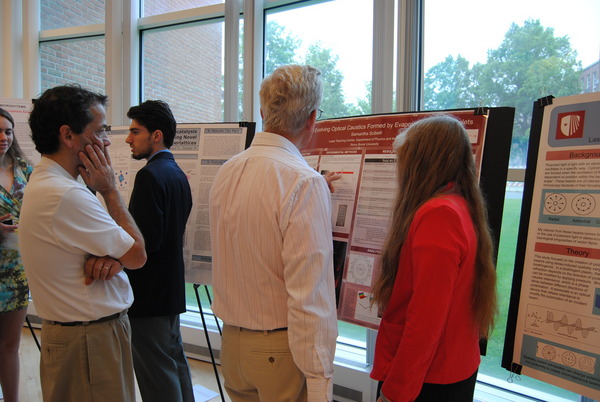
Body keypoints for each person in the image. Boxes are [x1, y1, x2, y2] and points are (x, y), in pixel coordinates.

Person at [209, 64, 338, 402]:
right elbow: (310, 295)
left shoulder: (226, 171)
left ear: (263, 112)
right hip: (281, 351)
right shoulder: (303, 182)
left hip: (233, 345)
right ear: (311, 119)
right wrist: (320, 382)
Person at [19, 84, 147, 402]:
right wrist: (109, 190)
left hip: (83, 337)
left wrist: (113, 259)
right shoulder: (66, 194)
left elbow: (117, 252)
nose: (106, 141)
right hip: (89, 340)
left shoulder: (49, 182)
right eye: (100, 130)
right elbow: (136, 254)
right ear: (68, 135)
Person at [369, 114, 498, 402]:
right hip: (445, 369)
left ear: (421, 162)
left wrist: (395, 393)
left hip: (428, 377)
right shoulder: (459, 204)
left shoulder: (439, 215)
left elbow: (425, 321)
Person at [124, 100, 194, 402]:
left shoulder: (149, 175)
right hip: (170, 288)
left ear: (156, 135)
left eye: (135, 132)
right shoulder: (177, 173)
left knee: (156, 372)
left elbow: (145, 242)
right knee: (174, 360)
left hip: (149, 293)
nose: (128, 139)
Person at [0, 108, 33, 402]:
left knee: (10, 344)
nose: (3, 137)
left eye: (8, 131)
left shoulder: (24, 168)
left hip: (18, 268)